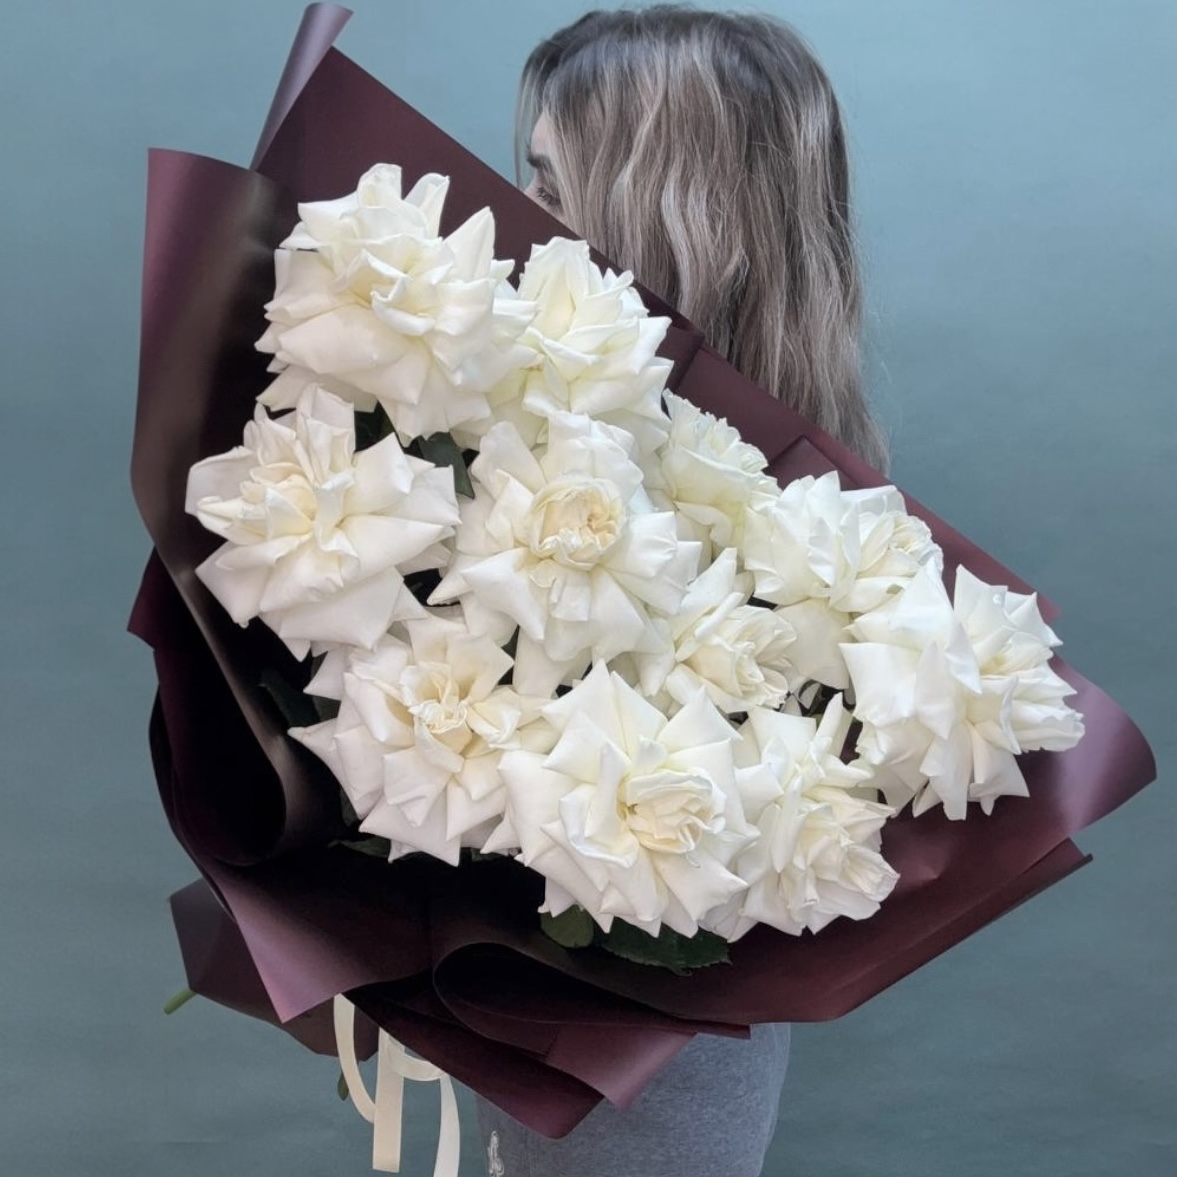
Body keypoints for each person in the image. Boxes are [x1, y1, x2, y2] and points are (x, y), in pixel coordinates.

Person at [473, 7, 888, 1176]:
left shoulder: (800, 564)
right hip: (517, 1017)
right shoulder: (523, 447)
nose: (516, 221)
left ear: (675, 224)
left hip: (643, 1044)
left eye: (554, 190)